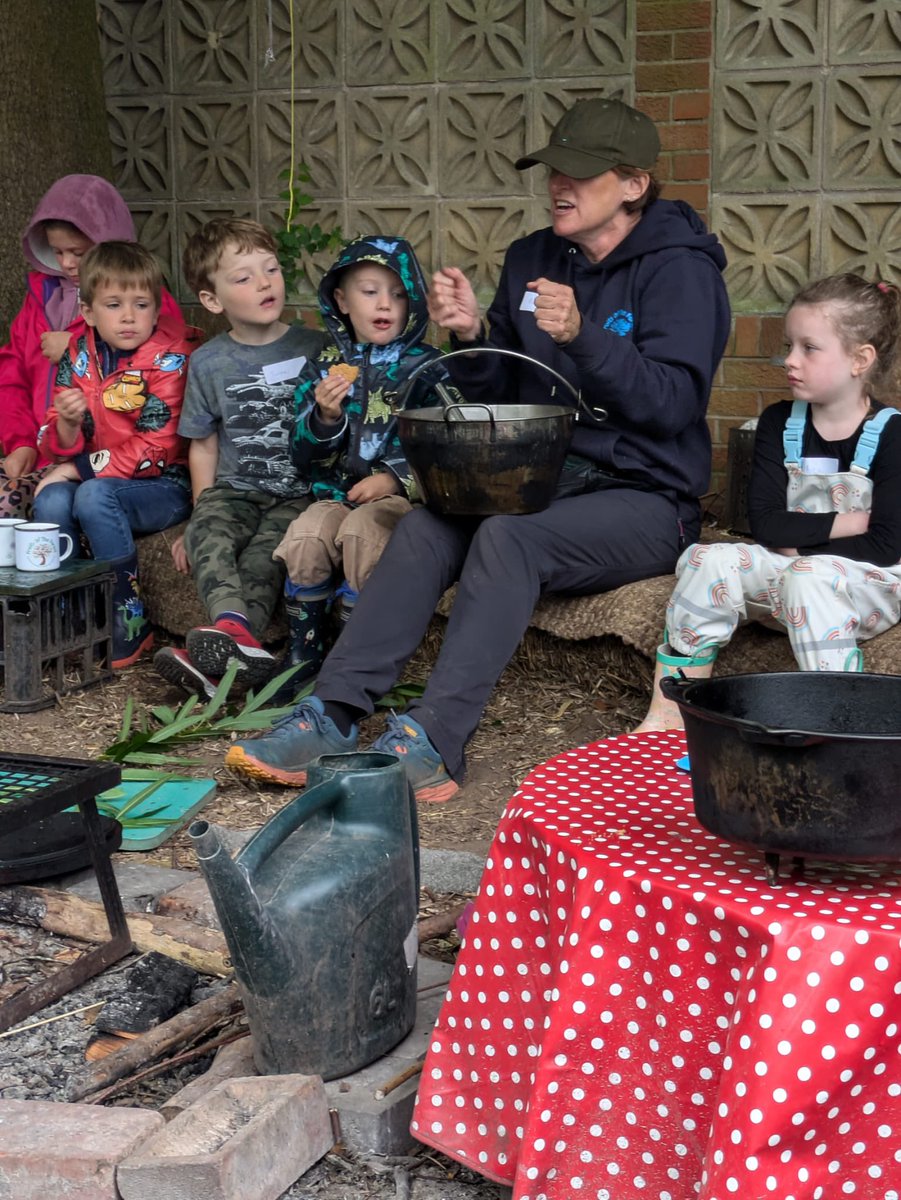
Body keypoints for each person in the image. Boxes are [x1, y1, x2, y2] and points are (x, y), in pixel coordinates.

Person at [224, 96, 731, 801]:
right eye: (553, 170)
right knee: (427, 527)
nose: (558, 184)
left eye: (580, 173)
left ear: (633, 185)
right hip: (538, 475)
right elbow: (503, 392)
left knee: (506, 539)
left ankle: (434, 739)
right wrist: (470, 335)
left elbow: (671, 405)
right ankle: (331, 712)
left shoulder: (681, 272)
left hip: (643, 495)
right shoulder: (532, 257)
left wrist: (583, 336)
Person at [636, 273, 901, 732]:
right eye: (789, 345)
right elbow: (766, 525)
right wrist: (849, 522)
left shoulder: (894, 435)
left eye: (809, 348)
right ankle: (671, 713)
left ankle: (836, 724)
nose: (790, 360)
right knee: (708, 559)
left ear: (860, 359)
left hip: (869, 585)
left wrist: (799, 544)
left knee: (806, 576)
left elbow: (886, 545)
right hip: (791, 571)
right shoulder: (780, 422)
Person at [152, 217, 328, 700]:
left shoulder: (317, 348)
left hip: (297, 493)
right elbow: (204, 443)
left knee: (263, 557)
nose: (265, 283)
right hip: (235, 489)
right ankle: (233, 628)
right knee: (207, 534)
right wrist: (200, 513)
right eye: (244, 277)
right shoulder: (208, 362)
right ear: (213, 300)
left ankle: (219, 658)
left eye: (271, 269)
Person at [270, 235, 450, 691]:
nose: (384, 303)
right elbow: (301, 456)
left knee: (361, 533)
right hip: (335, 494)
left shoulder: (429, 368)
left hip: (401, 504)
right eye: (369, 292)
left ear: (415, 303)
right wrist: (325, 417)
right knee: (307, 534)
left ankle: (355, 658)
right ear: (342, 301)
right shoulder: (324, 366)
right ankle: (304, 653)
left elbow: (450, 442)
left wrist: (394, 479)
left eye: (399, 294)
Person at [34, 240, 201, 667]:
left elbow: (157, 448)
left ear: (157, 309)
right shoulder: (78, 353)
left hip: (163, 485)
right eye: (113, 305)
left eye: (141, 305)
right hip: (102, 477)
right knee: (50, 499)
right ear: (89, 312)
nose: (128, 316)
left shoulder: (171, 359)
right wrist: (67, 424)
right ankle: (70, 618)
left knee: (92, 495)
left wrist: (77, 469)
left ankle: (129, 618)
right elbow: (51, 437)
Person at [0, 174, 181, 520]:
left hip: (104, 461)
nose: (67, 263)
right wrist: (19, 441)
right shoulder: (41, 297)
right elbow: (11, 376)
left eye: (78, 253)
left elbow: (165, 362)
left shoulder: (144, 301)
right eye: (57, 252)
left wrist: (77, 346)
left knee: (15, 504)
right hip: (41, 449)